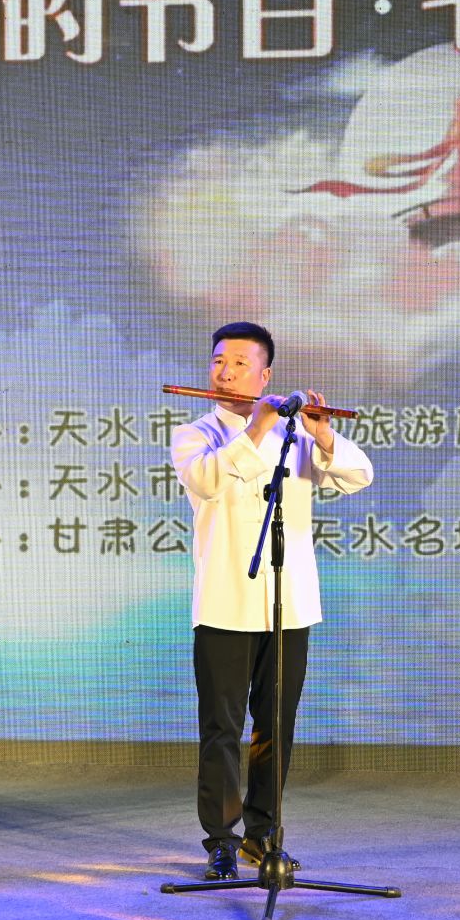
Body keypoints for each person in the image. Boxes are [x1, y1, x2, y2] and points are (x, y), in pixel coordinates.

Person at [169, 322, 373, 880]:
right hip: (223, 604)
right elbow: (208, 482)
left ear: (266, 376)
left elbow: (359, 475)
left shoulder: (296, 435)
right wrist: (256, 427)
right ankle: (220, 840)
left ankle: (262, 837)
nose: (225, 372)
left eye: (240, 363)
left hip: (290, 605)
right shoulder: (195, 435)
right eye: (218, 361)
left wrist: (324, 437)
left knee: (275, 727)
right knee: (221, 729)